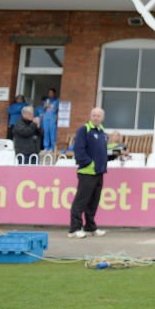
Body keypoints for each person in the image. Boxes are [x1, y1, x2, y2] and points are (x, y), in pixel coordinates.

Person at [69, 107, 109, 238]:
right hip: (87, 172)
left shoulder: (103, 132)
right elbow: (79, 150)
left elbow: (102, 152)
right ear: (90, 116)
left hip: (99, 172)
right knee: (81, 201)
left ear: (102, 118)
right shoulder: (84, 130)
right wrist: (90, 163)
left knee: (93, 202)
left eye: (98, 116)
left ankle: (90, 227)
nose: (96, 117)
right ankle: (74, 229)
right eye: (94, 115)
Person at [40, 88, 60, 153]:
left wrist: (57, 118)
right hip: (46, 118)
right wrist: (46, 105)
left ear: (54, 93)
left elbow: (58, 110)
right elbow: (43, 109)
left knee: (52, 133)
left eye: (51, 93)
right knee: (46, 132)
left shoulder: (57, 101)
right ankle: (46, 147)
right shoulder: (47, 100)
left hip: (52, 118)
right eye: (49, 93)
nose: (50, 94)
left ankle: (52, 147)